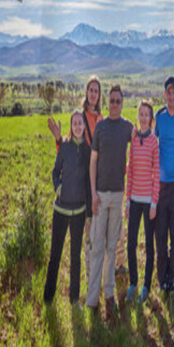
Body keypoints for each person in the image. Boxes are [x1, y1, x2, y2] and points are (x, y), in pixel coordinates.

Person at [47, 75, 103, 283]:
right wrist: (58, 140)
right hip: (78, 183)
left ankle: (94, 281)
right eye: (90, 90)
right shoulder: (81, 116)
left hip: (95, 179)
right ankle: (88, 284)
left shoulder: (102, 119)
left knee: (95, 233)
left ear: (99, 95)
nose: (93, 94)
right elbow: (70, 147)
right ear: (86, 93)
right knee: (84, 237)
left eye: (97, 91)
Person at [88, 85, 134, 319]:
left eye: (118, 101)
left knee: (111, 248)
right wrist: (93, 193)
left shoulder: (127, 127)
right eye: (112, 101)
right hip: (101, 195)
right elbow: (93, 161)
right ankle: (91, 298)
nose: (115, 104)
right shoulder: (101, 127)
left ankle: (108, 294)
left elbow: (143, 140)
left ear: (122, 103)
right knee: (97, 248)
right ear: (107, 103)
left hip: (118, 196)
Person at [43, 110, 91, 307]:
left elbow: (89, 183)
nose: (78, 126)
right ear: (71, 127)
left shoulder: (88, 151)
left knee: (75, 258)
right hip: (61, 210)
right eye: (75, 123)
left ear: (84, 126)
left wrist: (88, 214)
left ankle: (74, 299)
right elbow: (55, 172)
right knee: (55, 255)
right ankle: (48, 297)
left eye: (81, 123)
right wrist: (58, 187)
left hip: (79, 211)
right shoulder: (64, 147)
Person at [124, 100, 159, 304]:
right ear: (138, 116)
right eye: (141, 114)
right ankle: (133, 282)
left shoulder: (154, 141)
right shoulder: (134, 140)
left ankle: (146, 285)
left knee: (148, 244)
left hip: (148, 203)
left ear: (151, 118)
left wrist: (154, 203)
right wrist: (128, 200)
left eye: (147, 114)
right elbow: (130, 171)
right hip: (134, 200)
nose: (144, 117)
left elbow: (157, 172)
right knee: (131, 243)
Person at [154, 76, 174, 294]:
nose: (172, 97)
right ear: (165, 94)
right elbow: (153, 145)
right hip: (160, 186)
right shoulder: (159, 117)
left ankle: (171, 278)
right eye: (169, 93)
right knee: (160, 236)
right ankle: (161, 278)